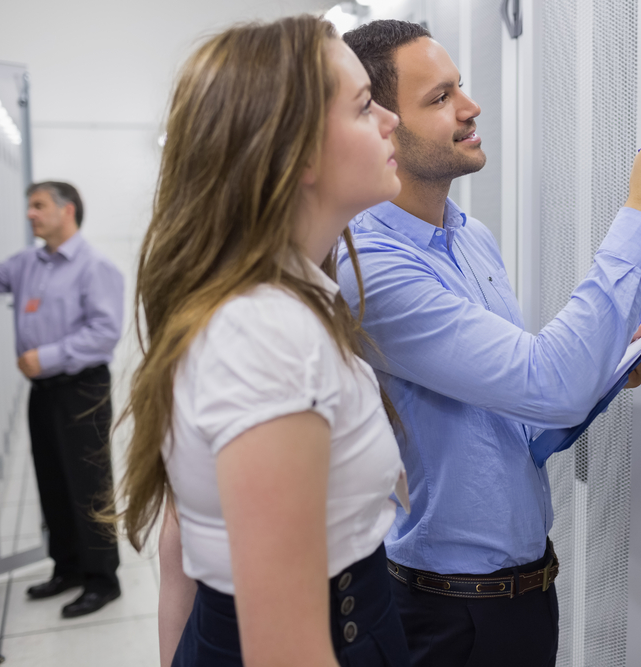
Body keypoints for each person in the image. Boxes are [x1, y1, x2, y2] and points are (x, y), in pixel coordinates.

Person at [337, 20, 641, 666]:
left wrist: (603, 370)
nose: (470, 106)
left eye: (461, 87)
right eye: (439, 98)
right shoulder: (370, 269)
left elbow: (531, 422)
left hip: (526, 595)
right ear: (383, 126)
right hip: (447, 616)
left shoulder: (470, 237)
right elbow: (547, 381)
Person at [117, 15, 410, 666]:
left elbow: (181, 545)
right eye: (365, 107)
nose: (391, 121)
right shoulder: (264, 333)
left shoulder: (288, 299)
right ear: (297, 154)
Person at [0, 181, 125, 618]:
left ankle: (103, 579)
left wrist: (47, 356)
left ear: (67, 211)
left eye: (38, 206)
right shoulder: (27, 263)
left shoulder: (95, 267)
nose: (30, 214)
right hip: (42, 392)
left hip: (82, 387)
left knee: (88, 484)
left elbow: (105, 332)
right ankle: (68, 568)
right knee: (52, 481)